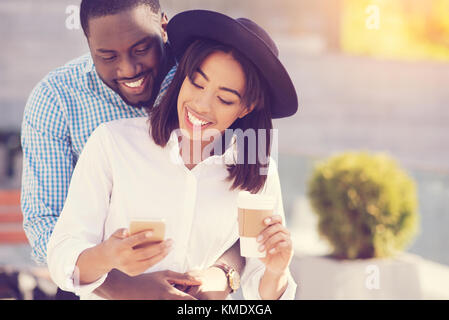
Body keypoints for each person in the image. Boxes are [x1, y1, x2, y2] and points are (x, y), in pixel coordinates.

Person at [47, 10, 299, 300]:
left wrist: (277, 272)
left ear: (246, 107)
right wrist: (107, 257)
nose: (202, 105)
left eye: (225, 98)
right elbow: (62, 255)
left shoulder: (255, 170)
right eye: (197, 83)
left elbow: (258, 284)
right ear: (183, 77)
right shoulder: (113, 143)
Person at [21, 0, 244, 300]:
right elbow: (47, 225)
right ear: (88, 43)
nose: (128, 69)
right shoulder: (56, 100)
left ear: (164, 28)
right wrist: (122, 286)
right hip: (91, 290)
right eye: (107, 56)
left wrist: (222, 276)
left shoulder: (202, 83)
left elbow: (252, 211)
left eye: (141, 49)